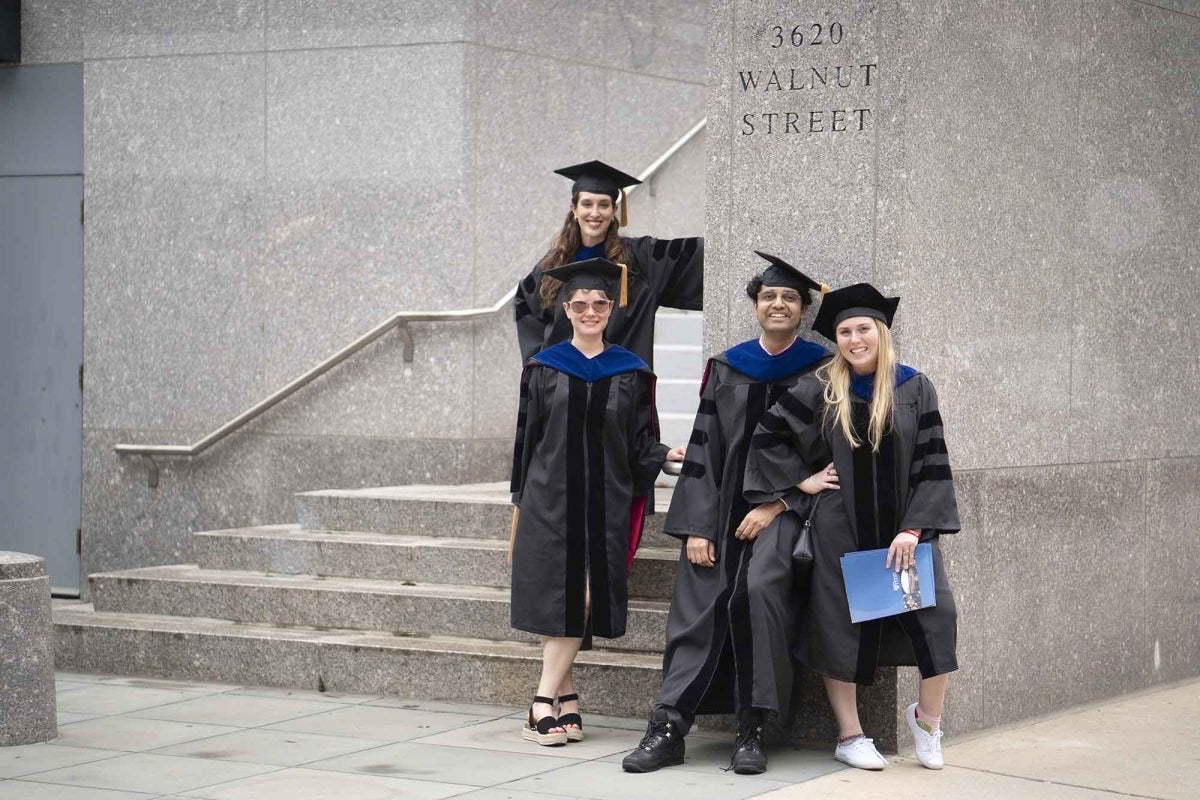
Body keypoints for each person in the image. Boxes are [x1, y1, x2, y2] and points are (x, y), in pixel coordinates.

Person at [622, 252, 830, 775]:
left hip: (785, 513)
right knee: (699, 600)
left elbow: (831, 461)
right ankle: (668, 726)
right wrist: (695, 525)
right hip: (719, 513)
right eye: (769, 297)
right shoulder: (727, 366)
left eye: (788, 298)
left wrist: (780, 502)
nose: (778, 304)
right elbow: (705, 448)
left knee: (760, 590)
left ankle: (752, 726)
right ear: (756, 306)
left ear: (803, 310)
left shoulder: (823, 373)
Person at [743, 283, 961, 771]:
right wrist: (805, 479)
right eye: (844, 331)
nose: (854, 339)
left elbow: (932, 462)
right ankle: (850, 735)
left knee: (937, 618)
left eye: (863, 329)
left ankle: (927, 720)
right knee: (838, 626)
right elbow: (768, 438)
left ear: (880, 333)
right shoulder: (822, 386)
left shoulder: (913, 386)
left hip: (902, 534)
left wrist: (914, 529)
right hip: (839, 528)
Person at [509, 258, 681, 747]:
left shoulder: (632, 372)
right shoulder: (543, 369)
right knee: (556, 596)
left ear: (610, 308)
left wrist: (665, 455)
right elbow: (526, 441)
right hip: (549, 499)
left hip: (603, 501)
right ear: (566, 308)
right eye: (579, 304)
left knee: (580, 596)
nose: (589, 310)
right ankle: (554, 700)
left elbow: (640, 442)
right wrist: (520, 499)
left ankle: (548, 699)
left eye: (598, 304)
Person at [513, 160, 704, 367]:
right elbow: (527, 309)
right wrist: (544, 367)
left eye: (603, 204)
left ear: (614, 210)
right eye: (587, 204)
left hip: (621, 386)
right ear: (574, 210)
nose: (595, 213)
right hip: (566, 386)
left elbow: (693, 256)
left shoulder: (641, 258)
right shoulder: (552, 266)